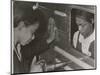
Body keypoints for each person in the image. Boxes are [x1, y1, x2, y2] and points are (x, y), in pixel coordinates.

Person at [13, 3, 49, 74]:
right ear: (21, 25)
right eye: (32, 32)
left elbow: (29, 51)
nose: (33, 37)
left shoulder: (18, 46)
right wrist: (32, 72)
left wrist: (49, 39)